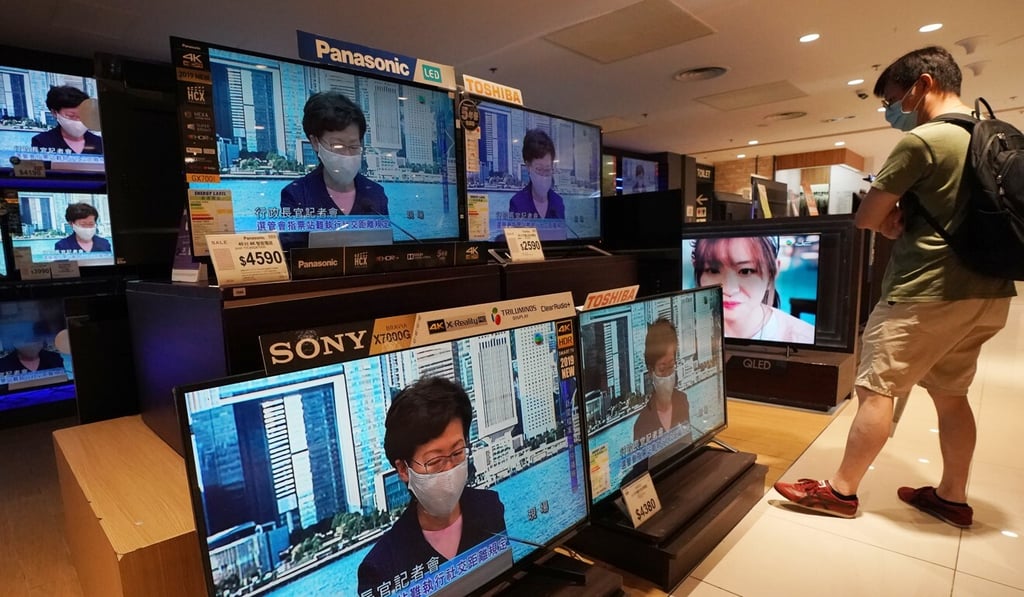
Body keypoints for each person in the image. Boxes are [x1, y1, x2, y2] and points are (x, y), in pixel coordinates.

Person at [773, 47, 1015, 527]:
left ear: (923, 85)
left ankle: (841, 490)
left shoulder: (924, 142)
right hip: (989, 293)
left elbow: (868, 216)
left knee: (876, 390)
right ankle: (951, 495)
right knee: (951, 395)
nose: (891, 111)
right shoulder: (992, 135)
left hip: (924, 293)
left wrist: (885, 225)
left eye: (892, 99)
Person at [358, 377, 510, 596]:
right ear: (403, 469)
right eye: (434, 461)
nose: (449, 469)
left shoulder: (489, 507)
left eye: (457, 453)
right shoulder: (381, 566)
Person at [280, 91, 388, 216]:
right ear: (315, 142)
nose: (347, 155)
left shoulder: (375, 193)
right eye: (338, 146)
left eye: (354, 146)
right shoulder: (297, 195)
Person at [692, 237, 814, 343]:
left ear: (772, 273)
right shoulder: (684, 333)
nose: (729, 289)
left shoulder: (804, 338)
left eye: (746, 271)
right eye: (713, 271)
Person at [632, 319, 692, 441]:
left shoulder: (682, 401)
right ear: (651, 371)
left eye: (671, 367)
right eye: (662, 369)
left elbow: (688, 444)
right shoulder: (642, 423)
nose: (668, 375)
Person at [507, 129, 565, 219]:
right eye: (539, 169)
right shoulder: (517, 203)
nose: (544, 176)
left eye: (547, 169)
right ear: (528, 166)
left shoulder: (558, 202)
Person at [30, 85, 103, 155]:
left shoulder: (99, 142)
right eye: (71, 116)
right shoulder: (42, 141)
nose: (78, 121)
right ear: (55, 113)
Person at [0, 326, 64, 375]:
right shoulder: (3, 364)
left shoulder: (55, 358)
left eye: (36, 339)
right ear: (15, 342)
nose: (32, 344)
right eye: (27, 341)